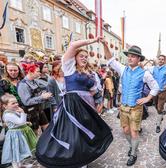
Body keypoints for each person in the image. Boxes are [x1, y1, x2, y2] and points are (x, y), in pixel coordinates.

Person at [35, 37, 113, 168]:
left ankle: (83, 159)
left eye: (86, 57)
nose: (84, 58)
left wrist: (92, 99)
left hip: (87, 107)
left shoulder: (89, 73)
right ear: (74, 58)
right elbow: (72, 46)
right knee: (73, 134)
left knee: (85, 134)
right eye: (81, 56)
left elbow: (94, 91)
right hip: (72, 107)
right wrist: (93, 41)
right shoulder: (69, 67)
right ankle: (73, 160)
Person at [103, 43, 159, 166]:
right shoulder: (123, 69)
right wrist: (104, 44)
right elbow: (110, 59)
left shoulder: (145, 73)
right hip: (123, 107)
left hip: (136, 108)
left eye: (133, 56)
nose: (130, 58)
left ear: (139, 59)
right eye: (129, 56)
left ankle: (133, 153)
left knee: (134, 132)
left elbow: (155, 87)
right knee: (125, 130)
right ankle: (132, 146)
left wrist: (147, 98)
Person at [1, 94, 36, 168]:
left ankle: (20, 165)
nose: (16, 104)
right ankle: (15, 166)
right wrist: (23, 112)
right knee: (15, 150)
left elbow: (17, 122)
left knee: (20, 149)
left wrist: (26, 123)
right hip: (15, 135)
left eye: (16, 102)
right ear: (5, 106)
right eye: (13, 103)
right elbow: (20, 122)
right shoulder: (8, 114)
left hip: (19, 134)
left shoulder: (13, 111)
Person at [17, 64, 52, 135]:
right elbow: (27, 102)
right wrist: (42, 97)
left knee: (46, 127)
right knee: (35, 132)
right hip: (30, 112)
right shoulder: (23, 85)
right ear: (30, 72)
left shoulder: (35, 81)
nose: (40, 73)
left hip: (39, 108)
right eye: (38, 71)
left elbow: (39, 92)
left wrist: (43, 94)